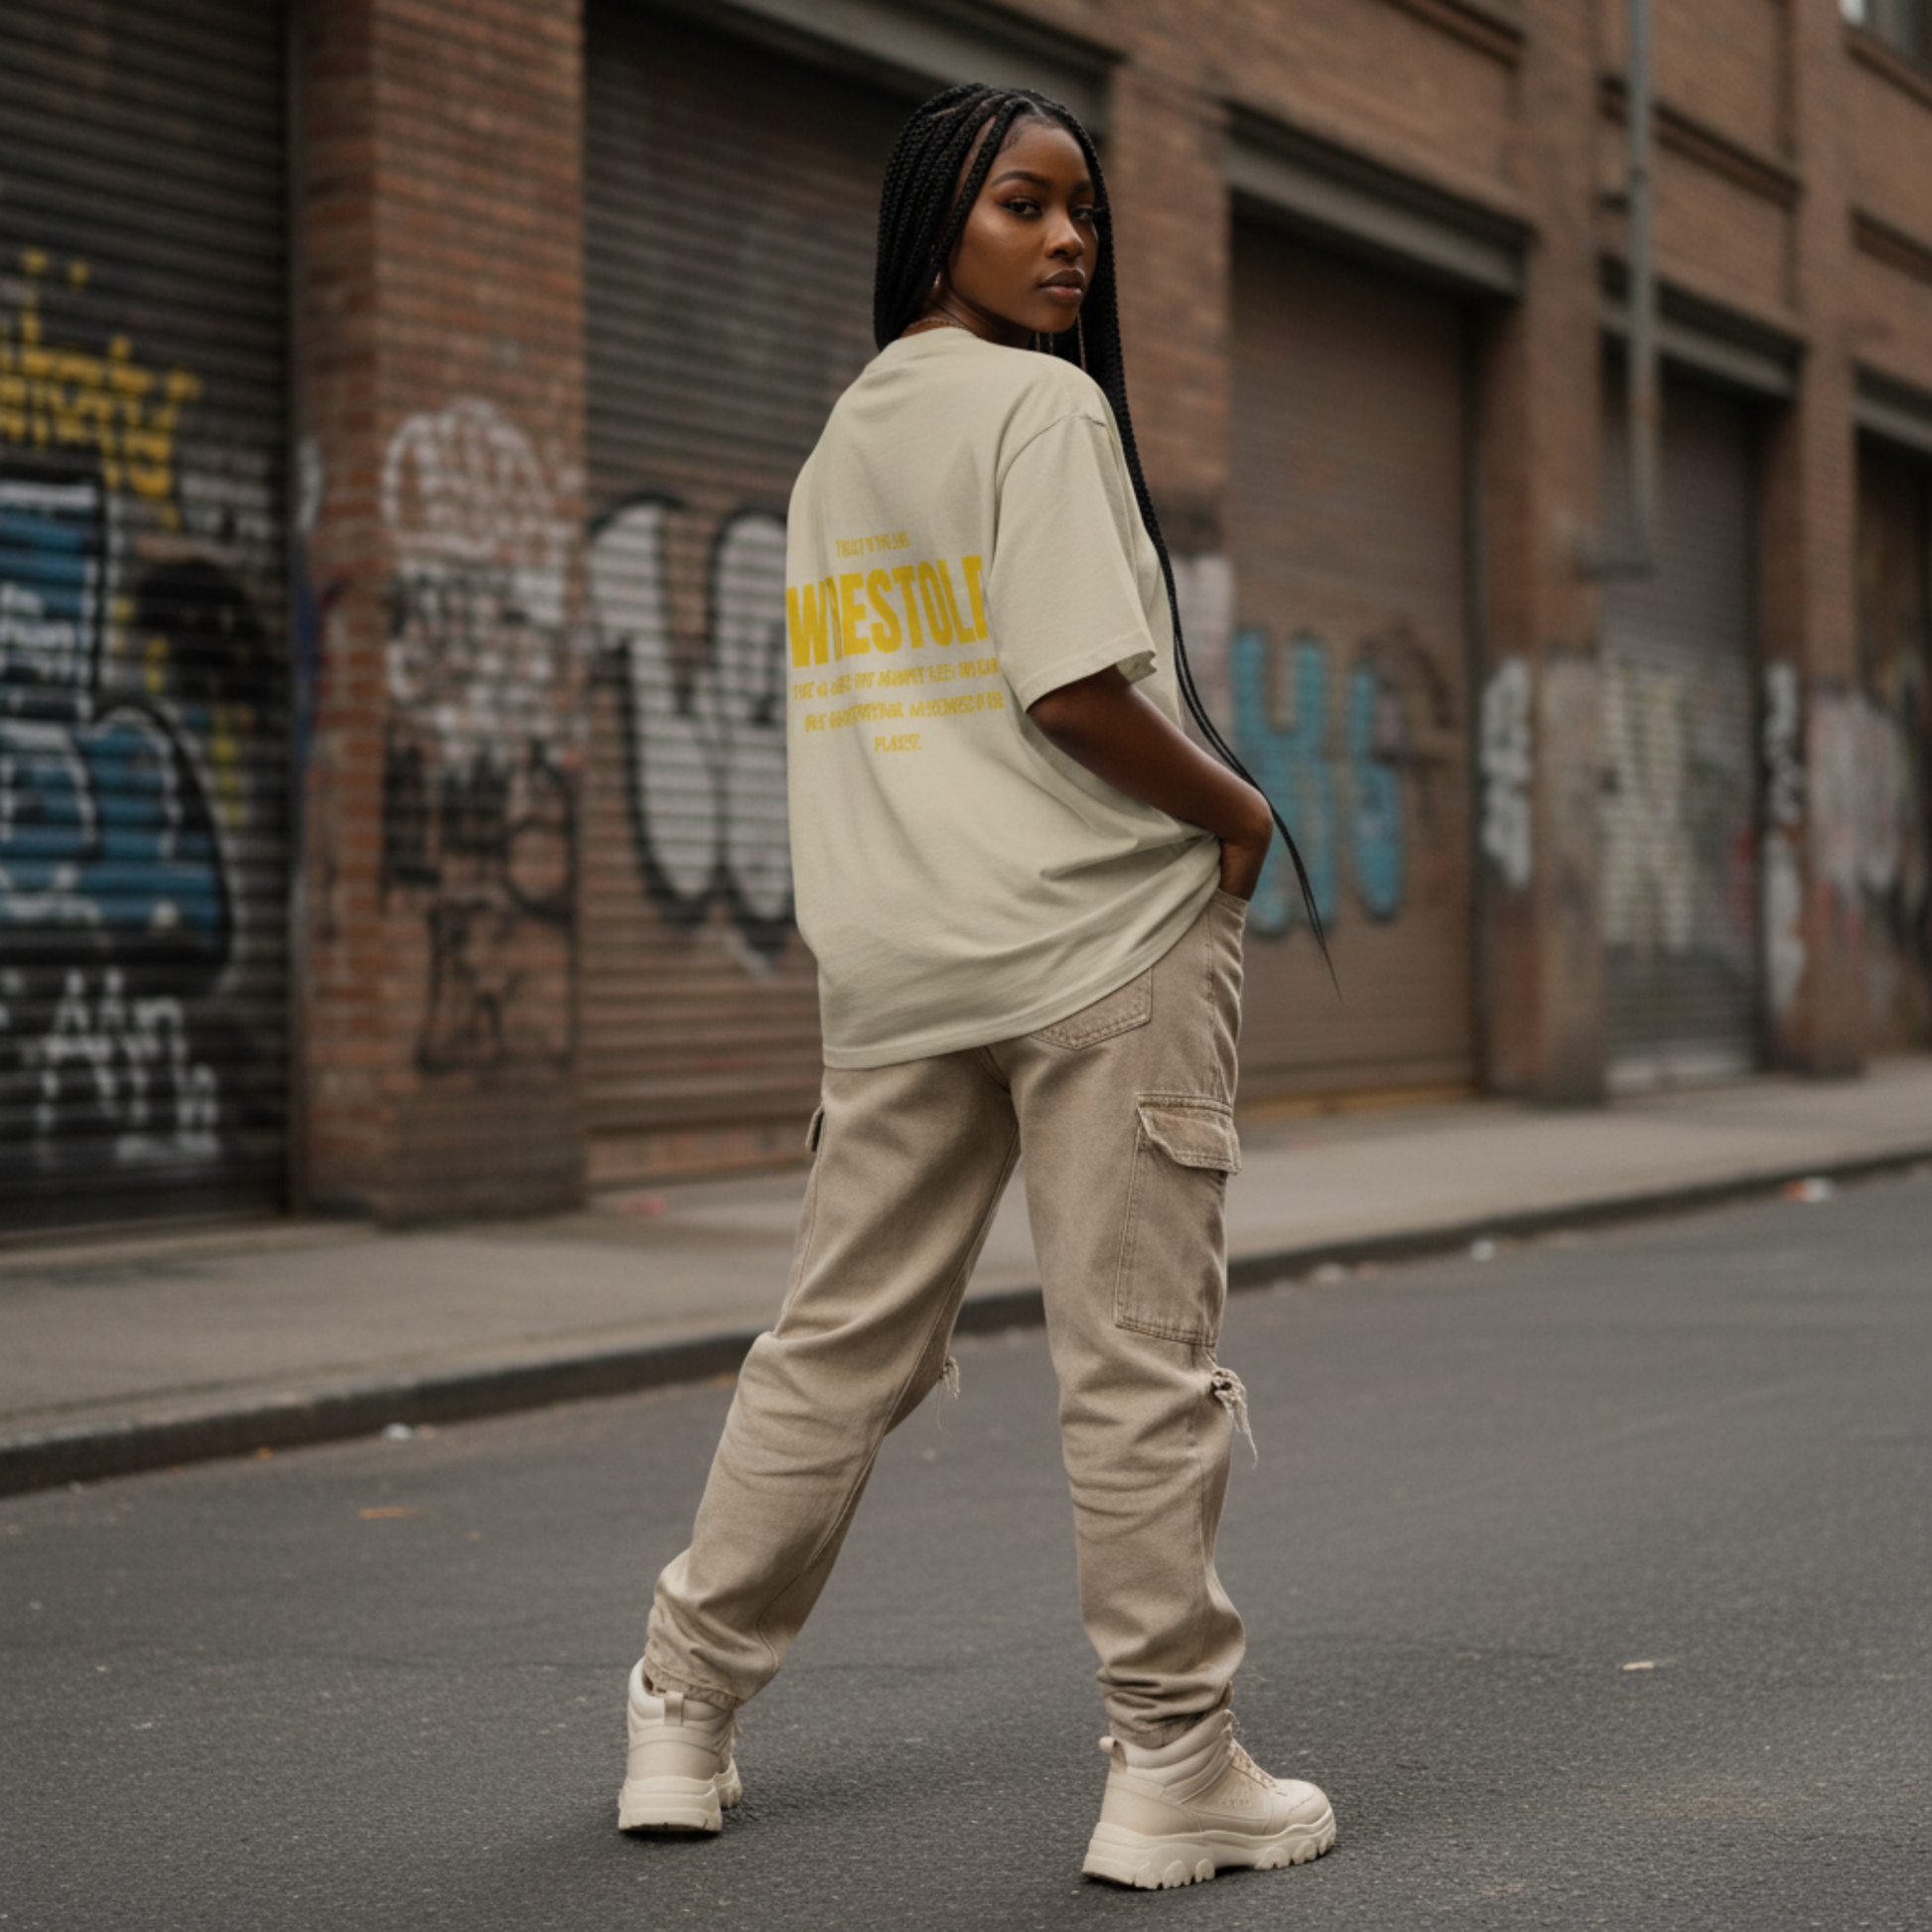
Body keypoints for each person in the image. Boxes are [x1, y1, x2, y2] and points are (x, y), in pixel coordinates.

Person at [619, 82, 1336, 1891]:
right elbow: (1072, 688)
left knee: (830, 1348)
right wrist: (1239, 811)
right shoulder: (1043, 404)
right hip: (1098, 941)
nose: (1068, 239)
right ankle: (1172, 1764)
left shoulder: (845, 436)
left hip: (903, 960)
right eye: (1025, 203)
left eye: (1082, 210)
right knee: (1136, 1362)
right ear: (936, 218)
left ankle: (679, 1707)